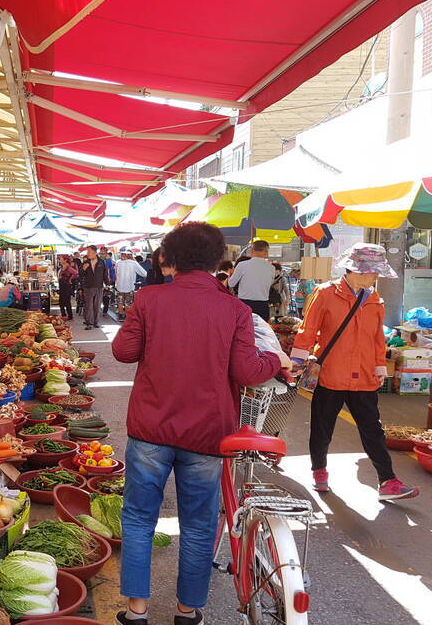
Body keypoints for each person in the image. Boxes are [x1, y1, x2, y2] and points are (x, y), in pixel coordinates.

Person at [111, 223, 284, 625]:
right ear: (215, 260)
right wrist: (278, 361)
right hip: (207, 434)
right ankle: (187, 612)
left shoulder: (149, 299)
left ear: (172, 258)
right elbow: (246, 370)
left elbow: (122, 351)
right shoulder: (235, 309)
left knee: (138, 518)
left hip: (150, 430)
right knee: (199, 524)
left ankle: (137, 613)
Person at [291, 243, 419, 501]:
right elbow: (308, 330)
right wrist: (296, 362)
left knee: (372, 429)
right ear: (356, 270)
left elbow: (376, 339)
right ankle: (319, 470)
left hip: (364, 376)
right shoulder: (325, 293)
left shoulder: (374, 299)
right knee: (322, 427)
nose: (376, 277)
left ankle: (387, 481)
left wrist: (379, 365)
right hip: (331, 374)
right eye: (373, 272)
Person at [227, 240, 274, 322]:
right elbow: (269, 284)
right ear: (266, 252)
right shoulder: (271, 268)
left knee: (243, 332)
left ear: (252, 250)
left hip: (244, 304)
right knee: (261, 333)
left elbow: (231, 283)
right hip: (263, 305)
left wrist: (230, 274)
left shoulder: (242, 265)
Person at [79, 245, 107, 330]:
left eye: (89, 252)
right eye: (87, 252)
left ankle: (96, 322)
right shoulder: (85, 262)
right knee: (89, 305)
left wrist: (107, 283)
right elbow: (80, 275)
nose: (87, 254)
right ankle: (89, 323)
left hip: (99, 286)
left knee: (97, 305)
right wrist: (83, 269)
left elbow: (105, 274)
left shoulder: (101, 262)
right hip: (88, 286)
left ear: (94, 252)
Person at [114, 252, 147, 321]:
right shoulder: (133, 263)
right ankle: (127, 317)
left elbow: (115, 273)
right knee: (128, 303)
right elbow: (144, 273)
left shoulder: (118, 262)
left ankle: (120, 316)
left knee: (120, 302)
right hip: (129, 286)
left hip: (119, 286)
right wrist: (135, 261)